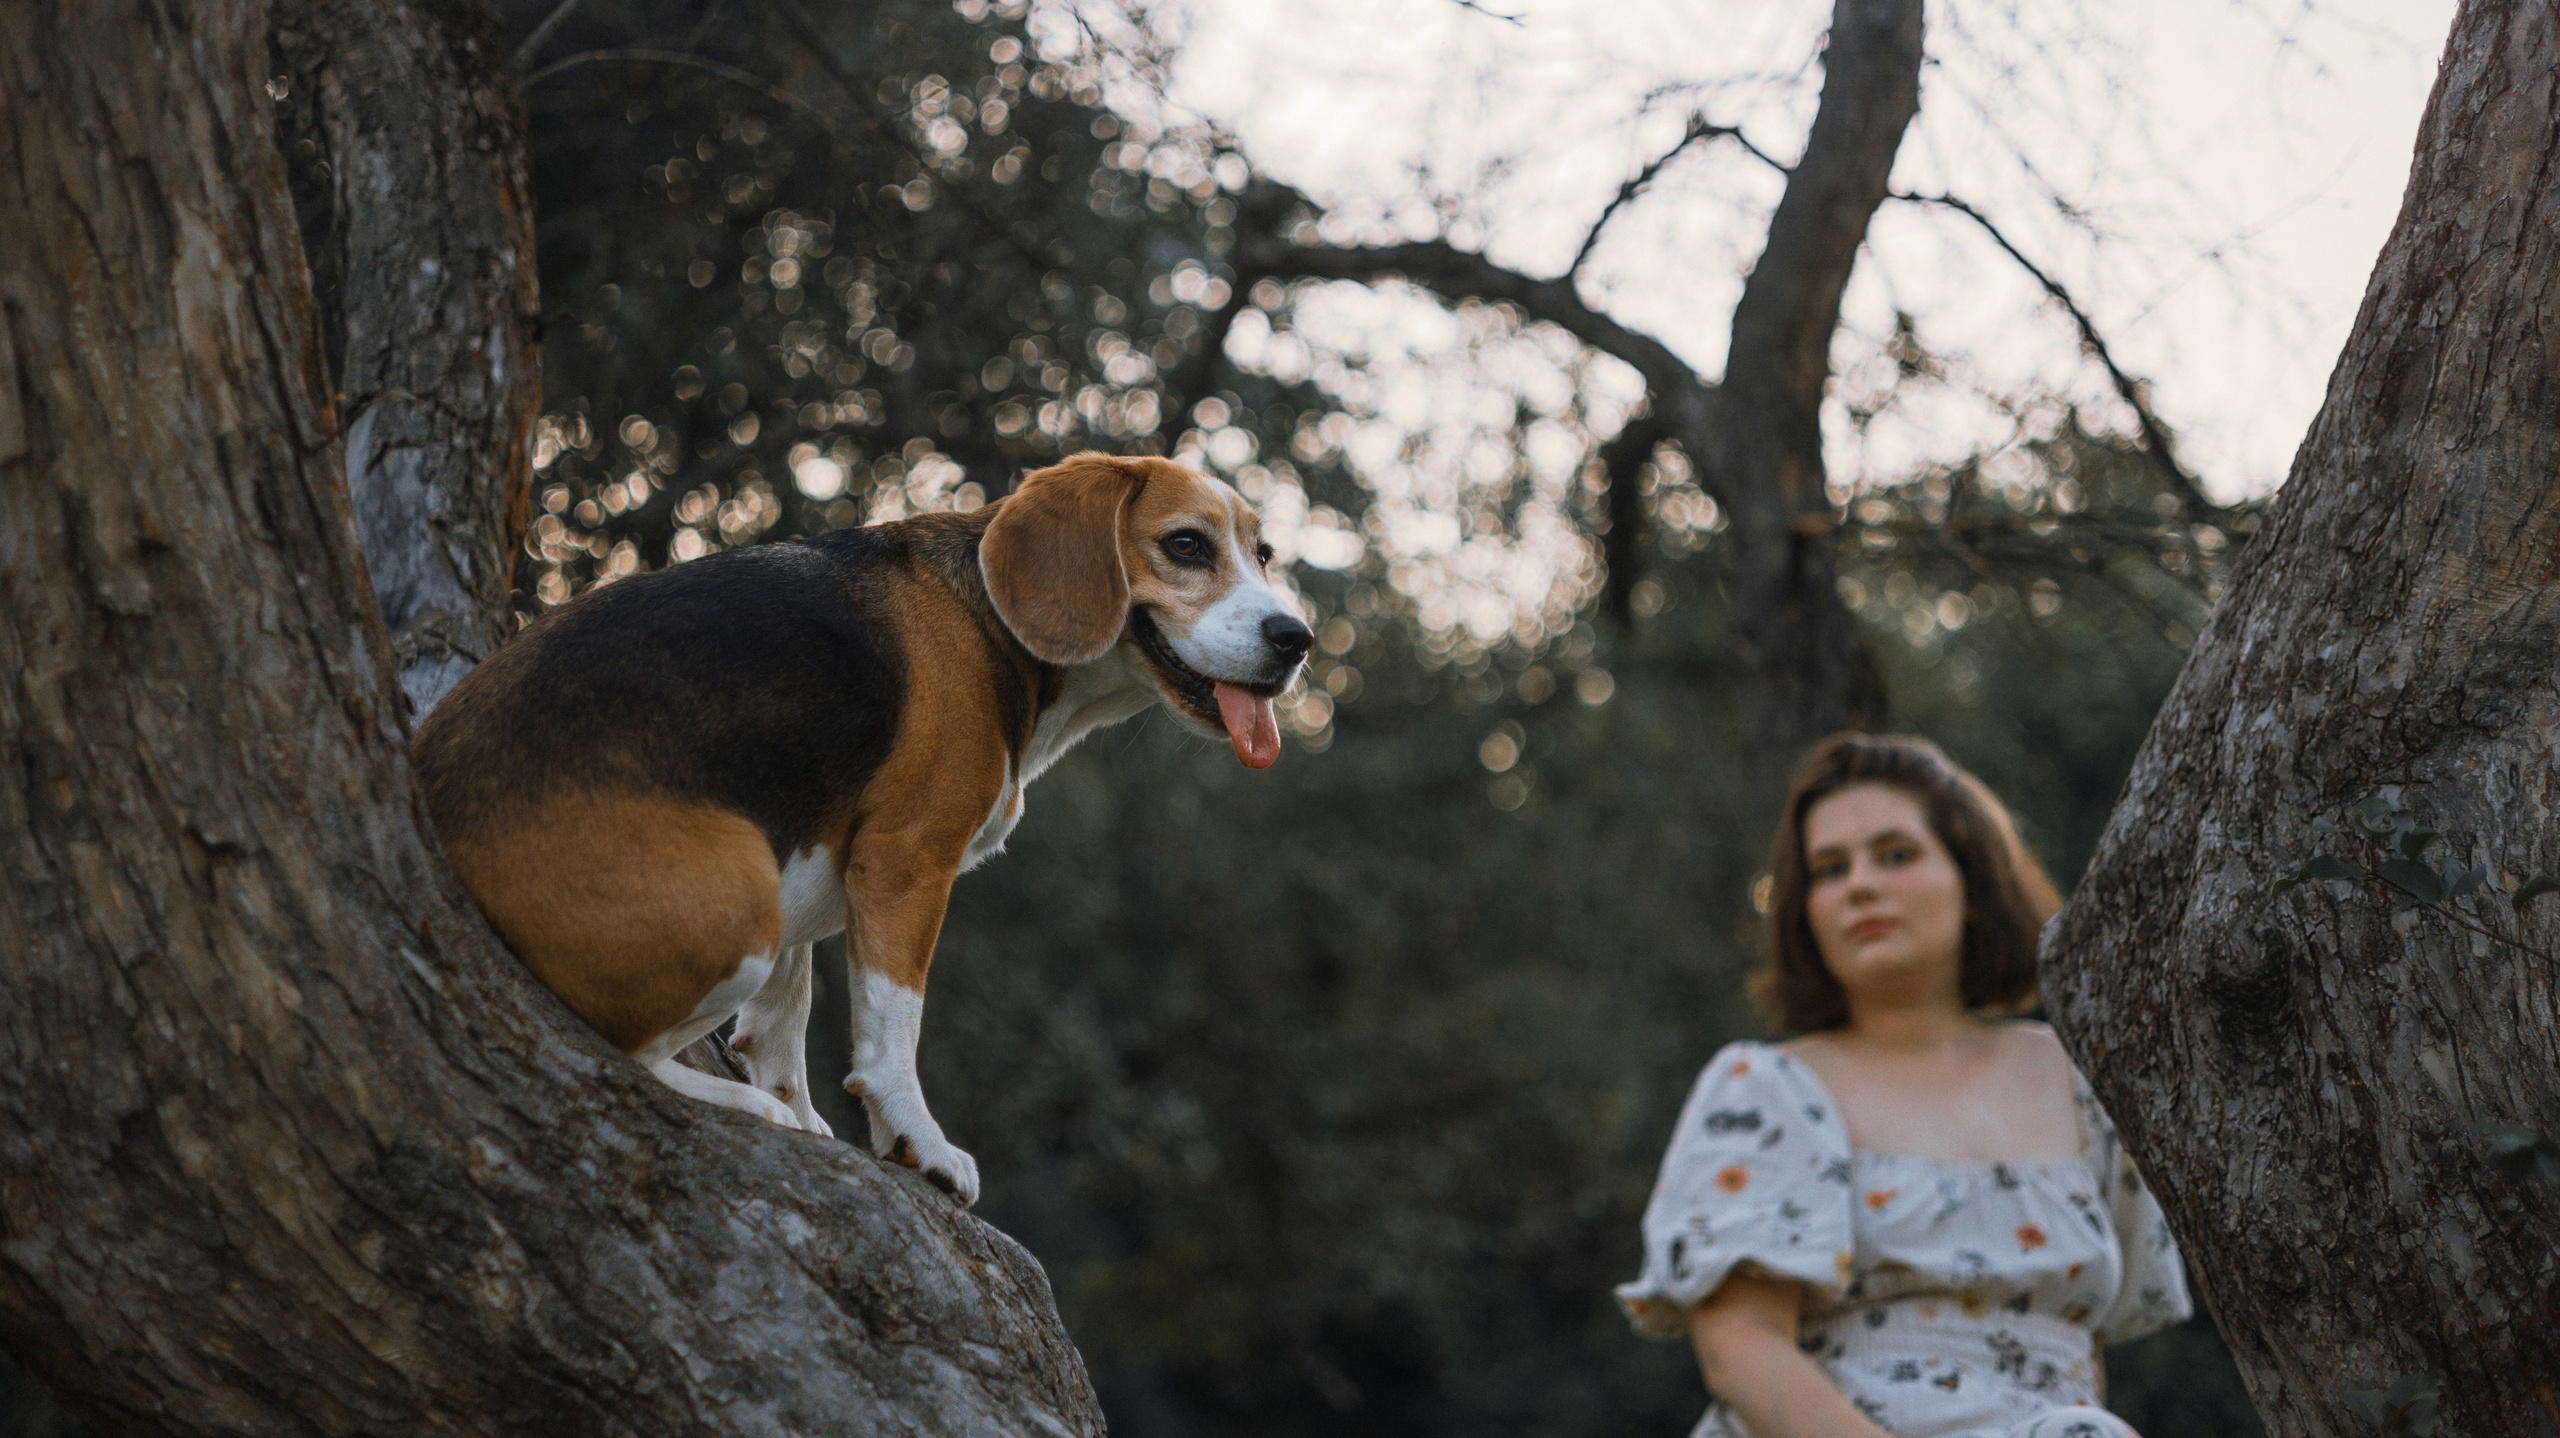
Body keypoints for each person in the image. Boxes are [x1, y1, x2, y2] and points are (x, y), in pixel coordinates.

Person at [1617, 734, 2190, 1438]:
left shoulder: (2077, 1079)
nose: (1860, 884)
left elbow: (2079, 1344)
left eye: (1896, 855)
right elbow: (1740, 1349)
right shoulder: (1766, 1091)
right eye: (1831, 869)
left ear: (1972, 881)